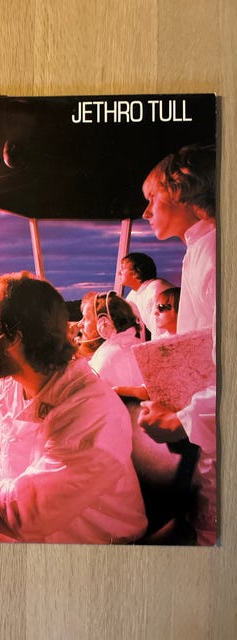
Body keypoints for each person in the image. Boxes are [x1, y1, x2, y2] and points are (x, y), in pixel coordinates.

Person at [0, 272, 147, 544]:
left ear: (14, 339)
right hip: (36, 530)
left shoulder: (91, 412)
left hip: (89, 546)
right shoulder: (17, 381)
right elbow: (7, 407)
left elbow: (25, 513)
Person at [137, 143, 217, 545]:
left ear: (182, 191)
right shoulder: (199, 250)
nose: (145, 212)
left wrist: (182, 420)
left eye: (152, 198)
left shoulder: (216, 253)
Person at [77, 290, 145, 393]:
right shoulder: (135, 344)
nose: (79, 324)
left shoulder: (106, 358)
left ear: (104, 324)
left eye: (86, 318)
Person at [119, 252, 173, 339]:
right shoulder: (134, 294)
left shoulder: (156, 290)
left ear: (136, 273)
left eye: (122, 269)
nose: (119, 273)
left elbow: (161, 333)